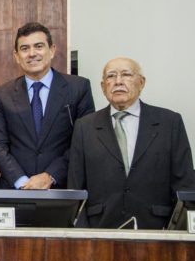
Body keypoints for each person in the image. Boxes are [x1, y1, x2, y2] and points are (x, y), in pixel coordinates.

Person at [68, 57, 195, 228]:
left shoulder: (169, 122)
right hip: (100, 229)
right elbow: (75, 187)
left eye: (126, 74)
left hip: (157, 229)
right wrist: (83, 236)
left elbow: (185, 183)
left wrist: (178, 231)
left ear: (141, 82)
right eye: (111, 76)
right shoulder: (85, 126)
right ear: (103, 86)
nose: (118, 81)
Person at [0, 22, 94, 189]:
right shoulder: (4, 93)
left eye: (39, 46)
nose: (32, 54)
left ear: (52, 50)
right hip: (15, 191)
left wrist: (50, 176)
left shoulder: (78, 88)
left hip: (62, 188)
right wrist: (21, 181)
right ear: (16, 56)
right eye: (24, 49)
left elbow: (84, 141)